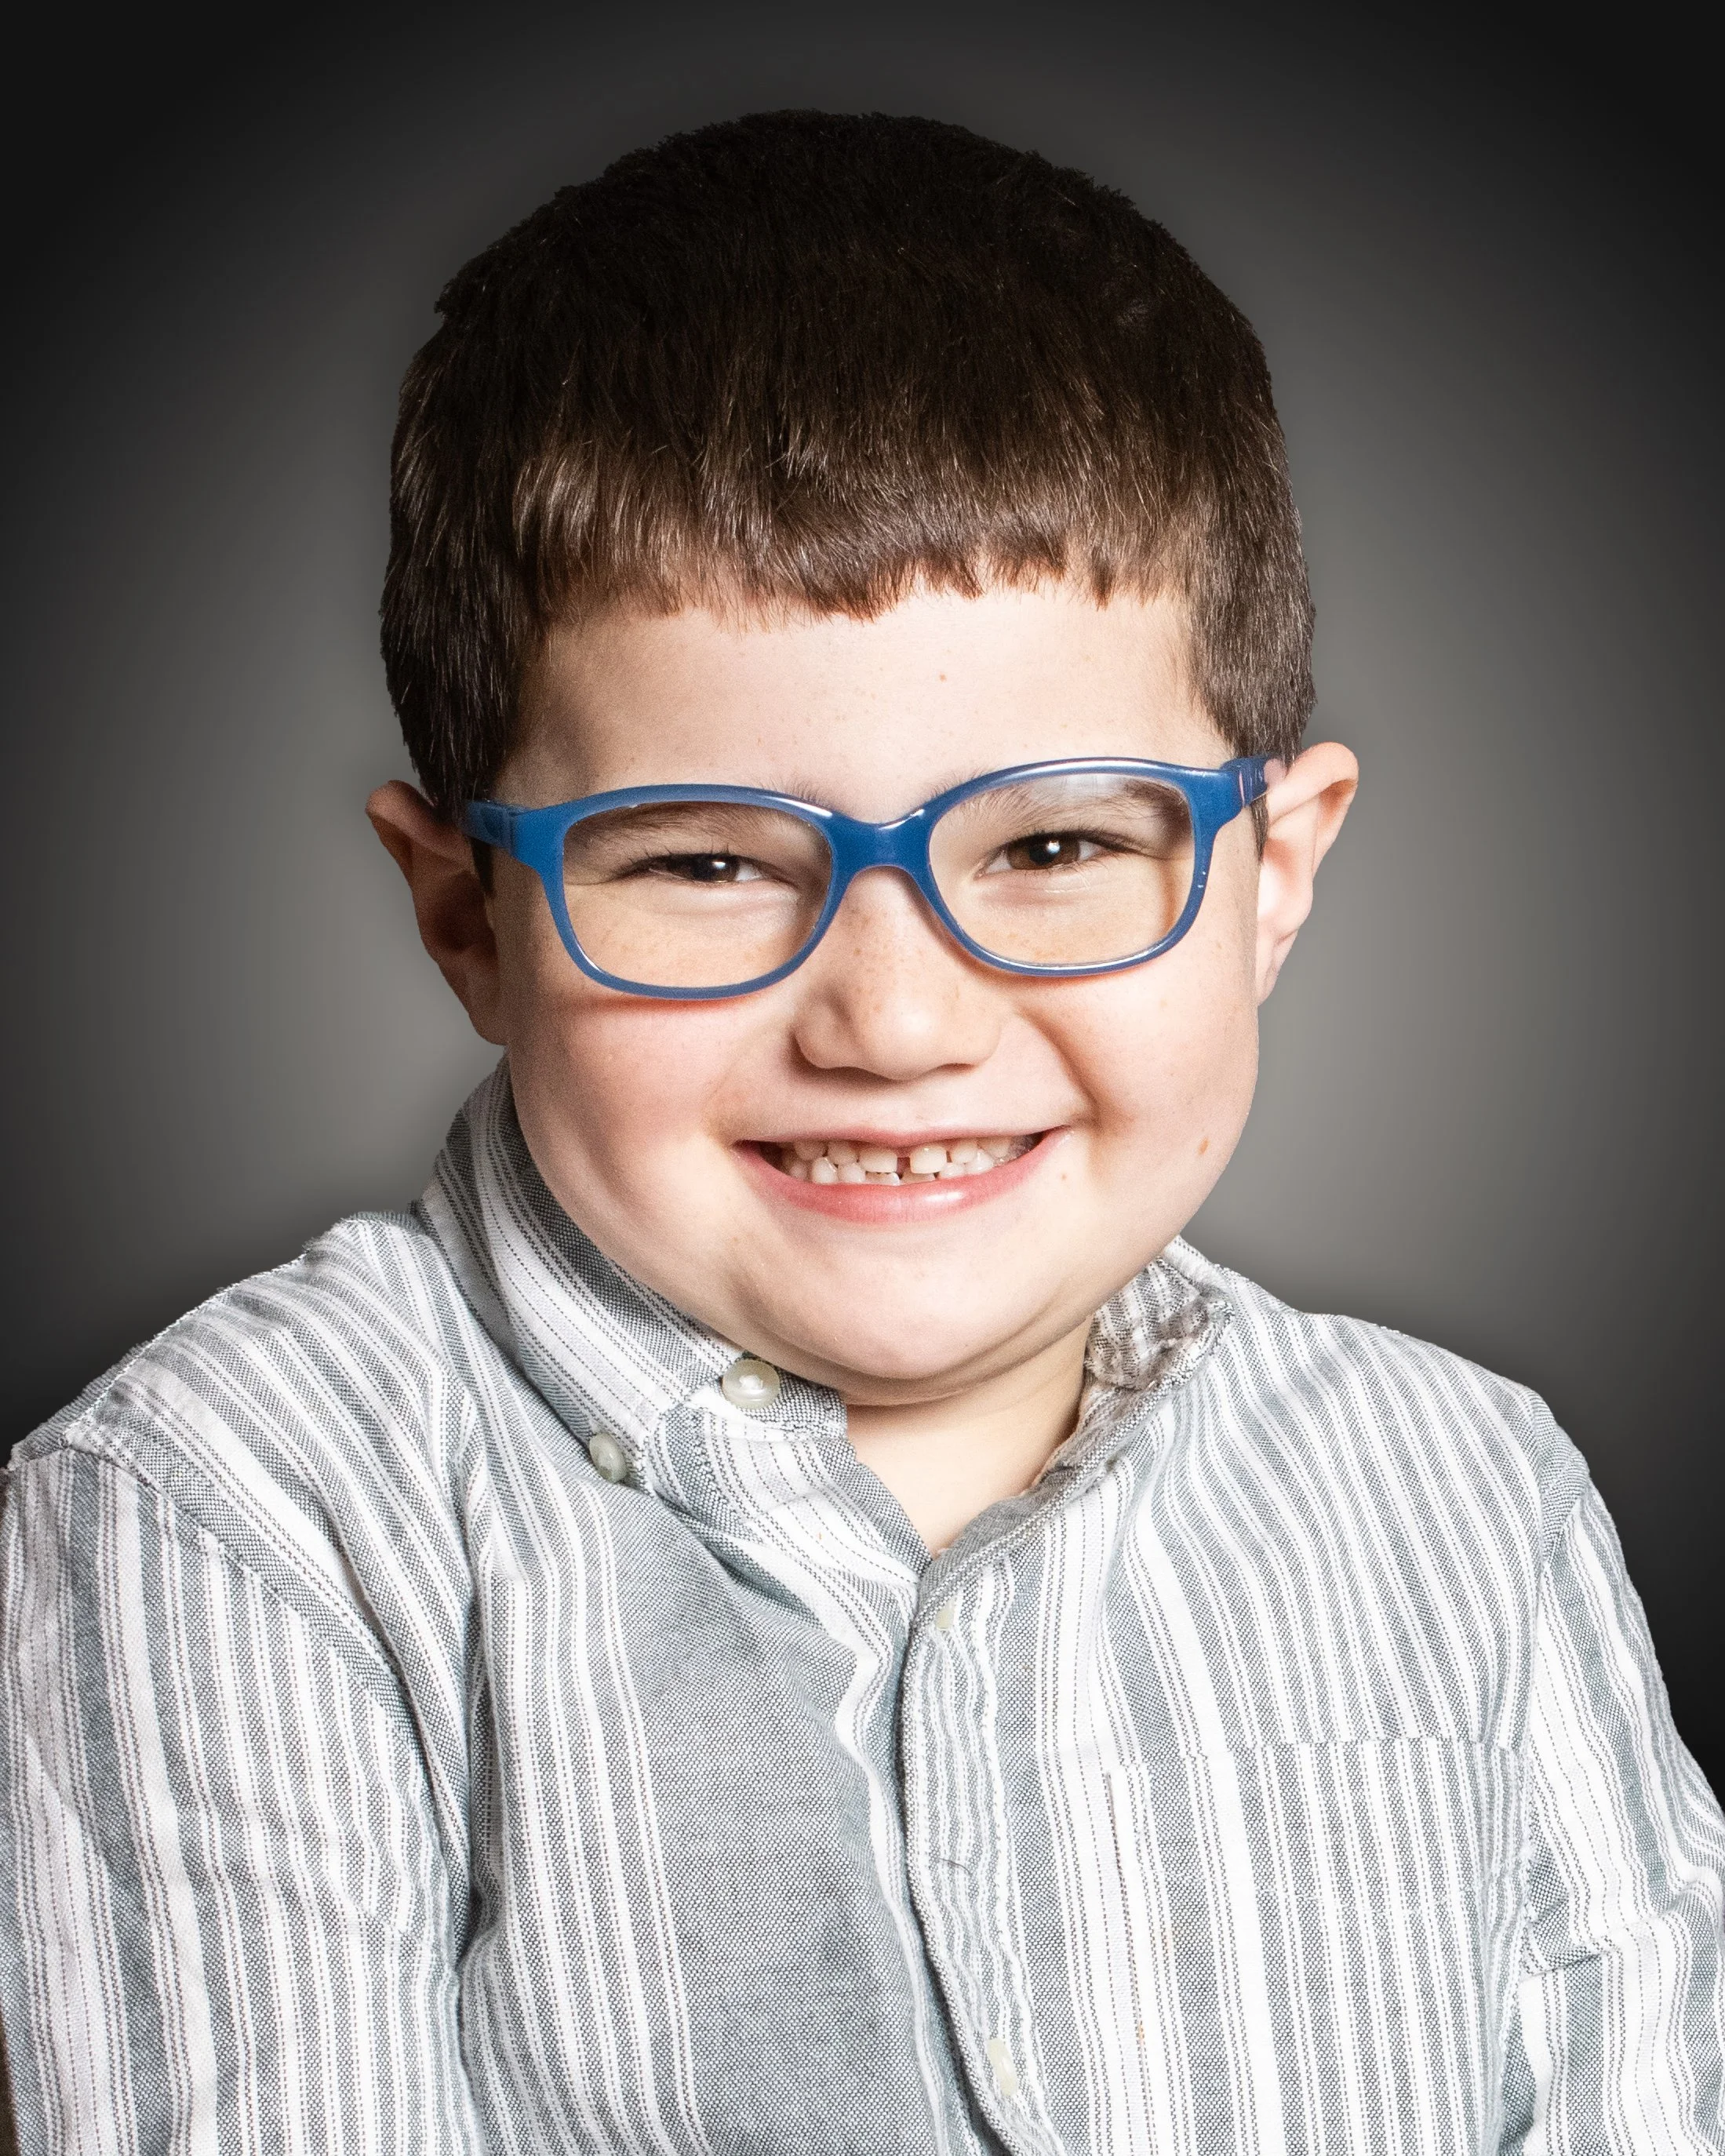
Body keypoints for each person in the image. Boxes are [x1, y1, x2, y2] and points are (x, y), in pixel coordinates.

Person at [2, 109, 1720, 2156]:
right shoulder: (234, 1519)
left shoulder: (1462, 1496)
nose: (895, 1025)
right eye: (706, 863)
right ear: (468, 917)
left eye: (1057, 846)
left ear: (1272, 875)